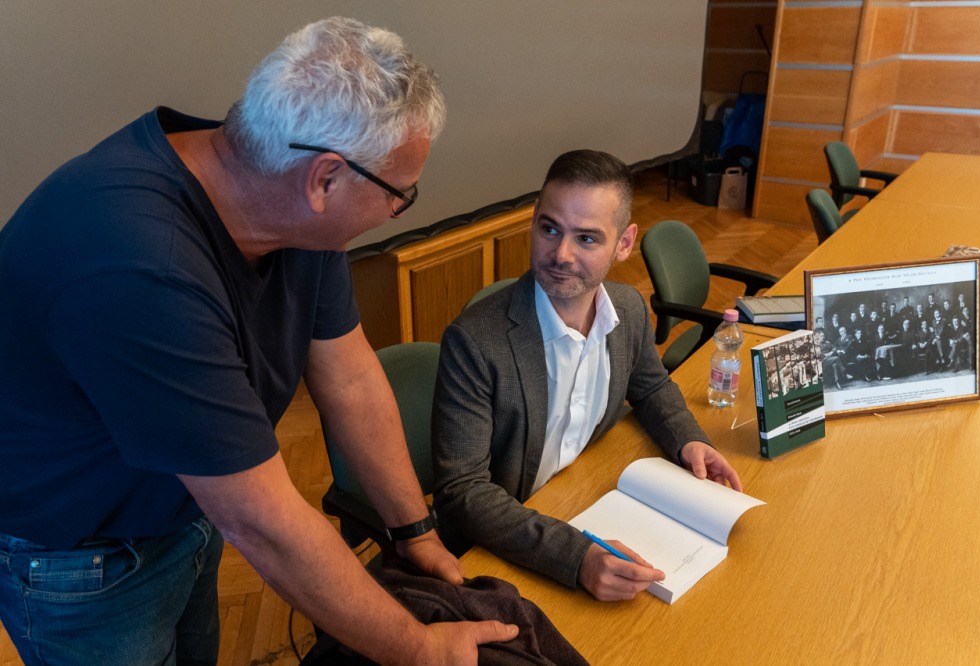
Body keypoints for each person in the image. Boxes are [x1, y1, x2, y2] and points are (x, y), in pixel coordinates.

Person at [0, 17, 518, 665]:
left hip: (182, 505)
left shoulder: (280, 196)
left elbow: (350, 377)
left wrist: (414, 532)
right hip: (85, 558)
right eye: (400, 194)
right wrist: (422, 650)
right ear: (325, 180)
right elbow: (263, 523)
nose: (397, 209)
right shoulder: (141, 267)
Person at [431, 150, 743, 602]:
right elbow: (463, 491)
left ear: (624, 243)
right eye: (549, 229)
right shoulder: (475, 341)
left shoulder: (628, 309)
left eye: (587, 238)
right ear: (533, 221)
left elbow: (651, 387)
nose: (561, 254)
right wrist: (576, 557)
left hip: (584, 497)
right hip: (505, 541)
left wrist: (688, 440)